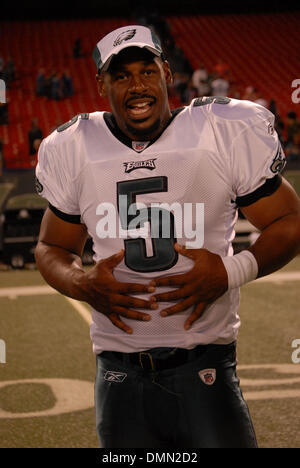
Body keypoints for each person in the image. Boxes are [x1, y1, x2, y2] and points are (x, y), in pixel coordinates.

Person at [34, 25, 300, 449]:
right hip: (118, 371)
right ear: (102, 85)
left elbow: (288, 219)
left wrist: (232, 271)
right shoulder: (74, 146)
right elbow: (52, 247)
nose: (136, 86)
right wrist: (80, 283)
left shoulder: (220, 129)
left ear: (167, 72)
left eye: (146, 71)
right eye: (121, 76)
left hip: (206, 364)